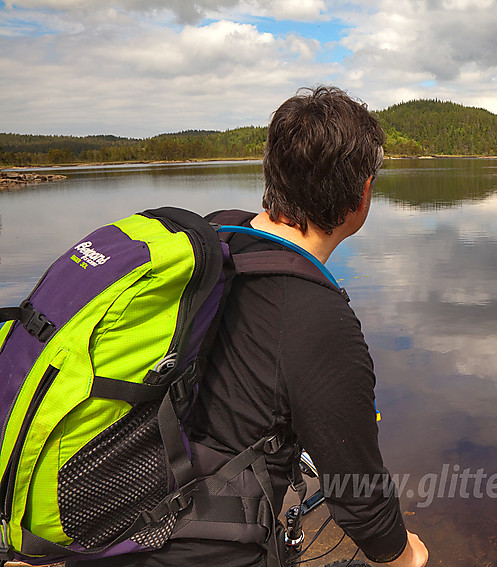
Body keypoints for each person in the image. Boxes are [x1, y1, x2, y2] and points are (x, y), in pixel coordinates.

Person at [73, 86, 428, 567]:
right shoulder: (320, 323)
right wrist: (404, 553)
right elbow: (359, 498)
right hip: (192, 550)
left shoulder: (212, 239)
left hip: (103, 515)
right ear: (362, 194)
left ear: (273, 172)